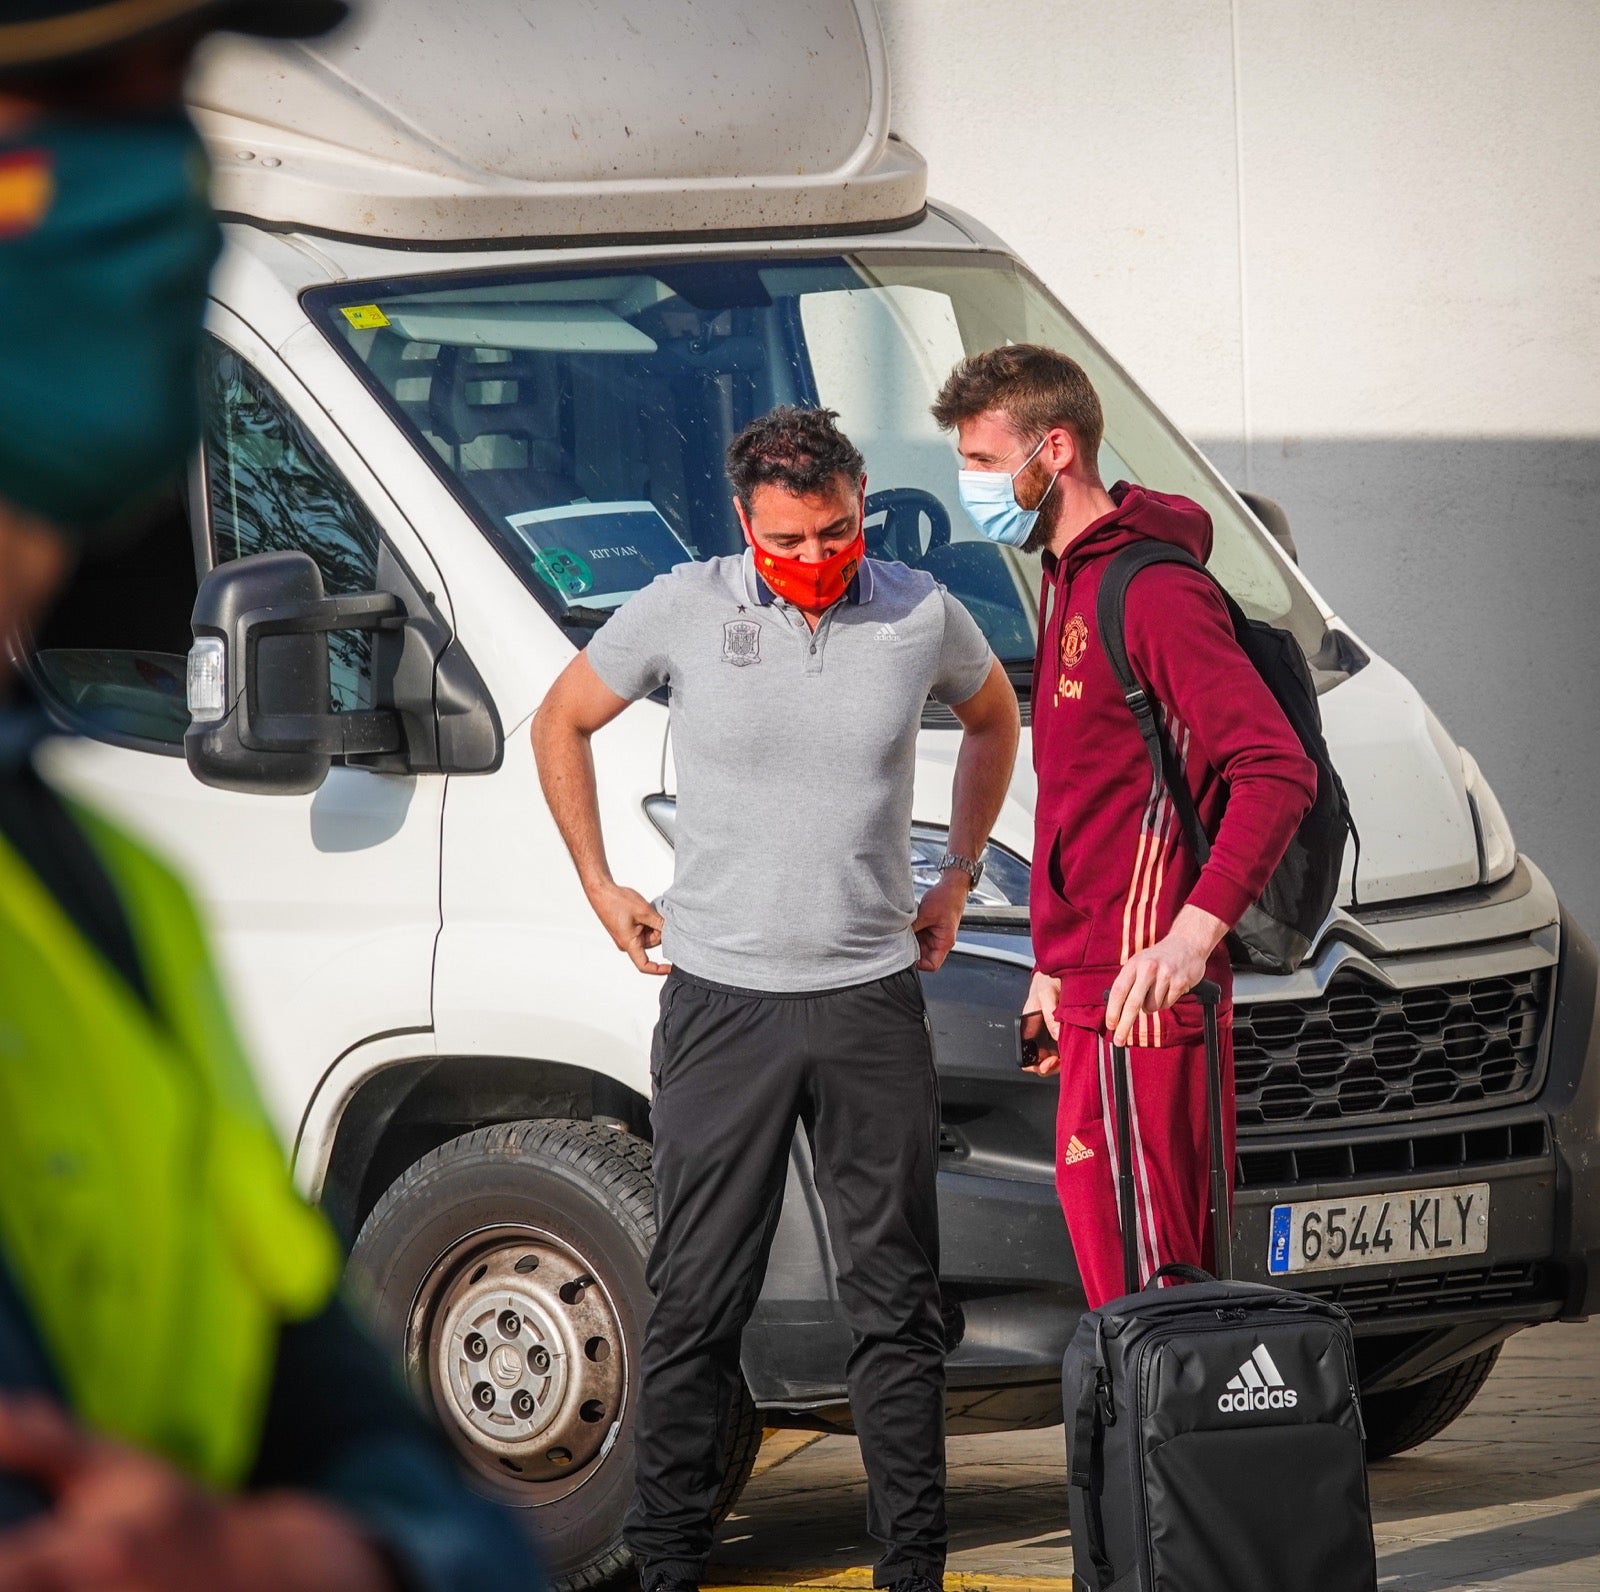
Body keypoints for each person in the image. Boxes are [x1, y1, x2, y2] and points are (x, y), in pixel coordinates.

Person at [0, 5, 543, 1589]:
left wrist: (292, 1554)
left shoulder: (98, 893)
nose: (156, 171)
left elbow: (421, 1500)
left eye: (164, 90)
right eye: (56, 98)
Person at [532, 406, 1020, 1592]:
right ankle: (667, 1567)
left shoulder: (916, 611)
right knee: (697, 1299)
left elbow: (994, 714)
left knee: (895, 1305)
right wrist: (601, 884)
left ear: (861, 502)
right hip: (723, 1008)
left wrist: (953, 871)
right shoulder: (684, 605)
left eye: (837, 532)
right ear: (743, 523)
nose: (814, 560)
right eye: (789, 541)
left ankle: (914, 1571)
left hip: (867, 1006)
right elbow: (562, 718)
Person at [932, 345, 1317, 1310]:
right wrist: (1054, 963)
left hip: (1146, 997)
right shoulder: (1067, 574)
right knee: (1116, 1278)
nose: (971, 485)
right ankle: (1132, 1463)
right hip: (1091, 989)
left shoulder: (1151, 591)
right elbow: (1087, 796)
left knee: (1159, 1288)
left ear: (1053, 449)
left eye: (982, 461)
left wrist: (1191, 937)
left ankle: (1170, 1465)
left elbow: (1275, 770)